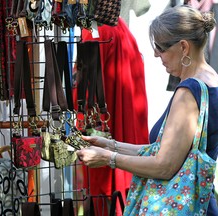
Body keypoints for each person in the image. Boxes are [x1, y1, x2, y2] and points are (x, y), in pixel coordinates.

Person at [76, 5, 218, 215]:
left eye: (161, 48)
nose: (155, 54)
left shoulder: (189, 92)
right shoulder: (211, 80)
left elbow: (164, 166)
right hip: (199, 204)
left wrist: (108, 158)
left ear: (184, 47)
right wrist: (111, 145)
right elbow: (166, 152)